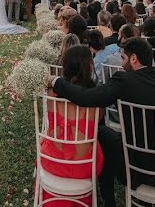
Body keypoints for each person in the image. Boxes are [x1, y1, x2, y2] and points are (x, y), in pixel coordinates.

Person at [49, 37, 155, 207]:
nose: (121, 64)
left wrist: (56, 81)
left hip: (139, 169)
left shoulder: (125, 80)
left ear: (133, 58)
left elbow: (86, 98)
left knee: (104, 135)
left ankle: (108, 200)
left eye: (123, 58)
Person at [39, 45, 104, 206]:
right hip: (83, 166)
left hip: (52, 161)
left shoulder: (51, 93)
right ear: (89, 66)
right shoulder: (95, 98)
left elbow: (49, 82)